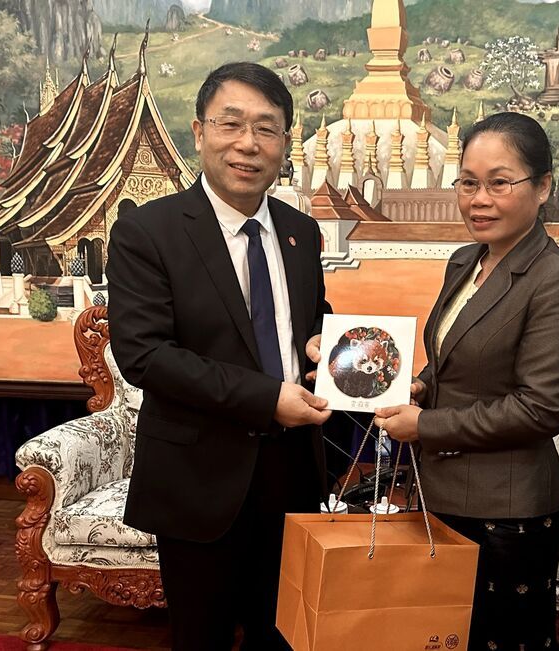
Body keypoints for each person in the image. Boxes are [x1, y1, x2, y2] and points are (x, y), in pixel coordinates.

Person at [106, 61, 332, 651]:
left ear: (284, 141)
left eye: (266, 127)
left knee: (284, 634)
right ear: (199, 131)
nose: (248, 144)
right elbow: (145, 356)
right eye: (231, 124)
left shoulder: (300, 231)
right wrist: (267, 398)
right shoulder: (147, 232)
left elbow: (312, 319)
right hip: (198, 478)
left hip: (293, 473)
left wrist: (321, 345)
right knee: (200, 637)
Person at [374, 112, 559, 651]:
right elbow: (451, 358)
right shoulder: (464, 261)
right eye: (468, 183)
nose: (479, 200)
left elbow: (540, 409)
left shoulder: (558, 280)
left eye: (499, 183)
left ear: (543, 187)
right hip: (439, 493)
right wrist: (421, 385)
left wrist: (425, 425)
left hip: (505, 513)